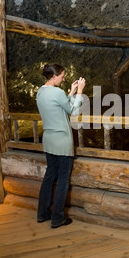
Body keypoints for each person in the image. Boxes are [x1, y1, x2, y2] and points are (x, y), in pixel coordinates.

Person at [36, 63, 86, 228]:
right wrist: (79, 92)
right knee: (63, 179)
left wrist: (70, 92)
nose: (63, 78)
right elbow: (73, 111)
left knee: (50, 176)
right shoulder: (57, 92)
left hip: (49, 140)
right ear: (54, 76)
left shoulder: (41, 92)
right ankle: (58, 218)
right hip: (62, 141)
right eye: (62, 76)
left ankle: (42, 213)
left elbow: (62, 106)